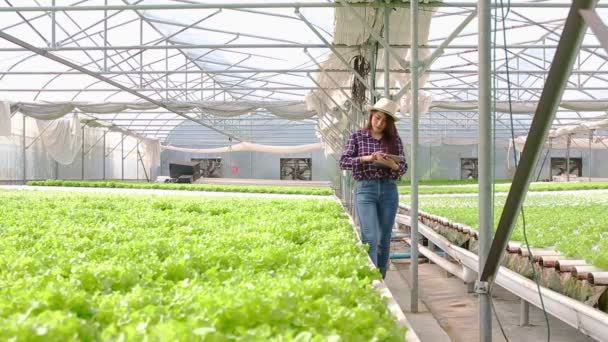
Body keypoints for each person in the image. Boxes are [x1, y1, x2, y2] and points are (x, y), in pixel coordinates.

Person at [339, 98, 408, 278]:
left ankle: (381, 277)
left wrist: (392, 165)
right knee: (371, 236)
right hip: (365, 190)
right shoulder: (357, 137)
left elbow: (403, 167)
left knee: (384, 239)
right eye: (377, 118)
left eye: (384, 121)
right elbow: (344, 161)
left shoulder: (394, 140)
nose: (380, 123)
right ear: (371, 117)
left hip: (389, 190)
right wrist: (368, 158)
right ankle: (372, 280)